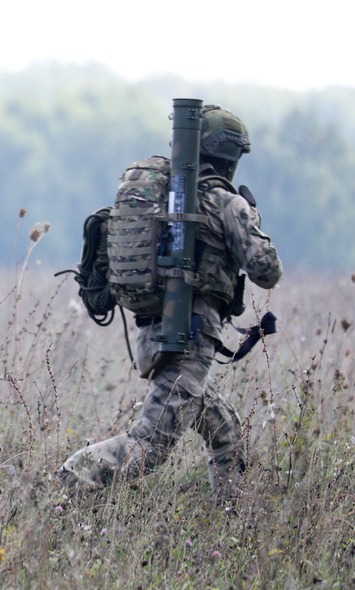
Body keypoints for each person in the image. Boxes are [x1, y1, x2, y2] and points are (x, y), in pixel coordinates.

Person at [57, 105, 283, 505]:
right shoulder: (224, 202)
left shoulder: (165, 198)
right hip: (190, 339)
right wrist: (250, 216)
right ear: (230, 156)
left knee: (225, 430)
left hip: (153, 333)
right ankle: (58, 487)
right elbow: (267, 271)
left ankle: (236, 519)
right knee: (150, 445)